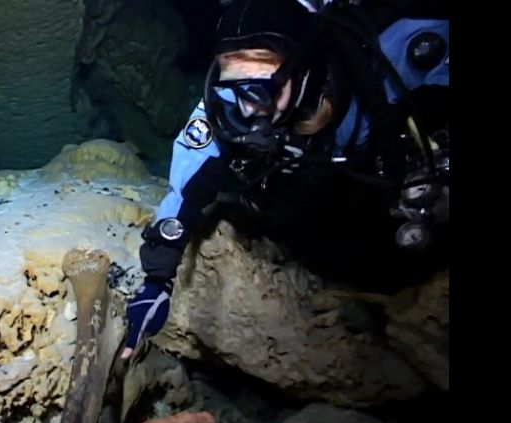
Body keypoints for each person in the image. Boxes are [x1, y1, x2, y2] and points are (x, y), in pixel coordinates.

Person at [121, 0, 449, 359]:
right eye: (234, 86)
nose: (247, 109)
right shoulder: (229, 101)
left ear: (305, 70)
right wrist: (157, 280)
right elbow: (189, 175)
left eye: (259, 90)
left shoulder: (394, 54)